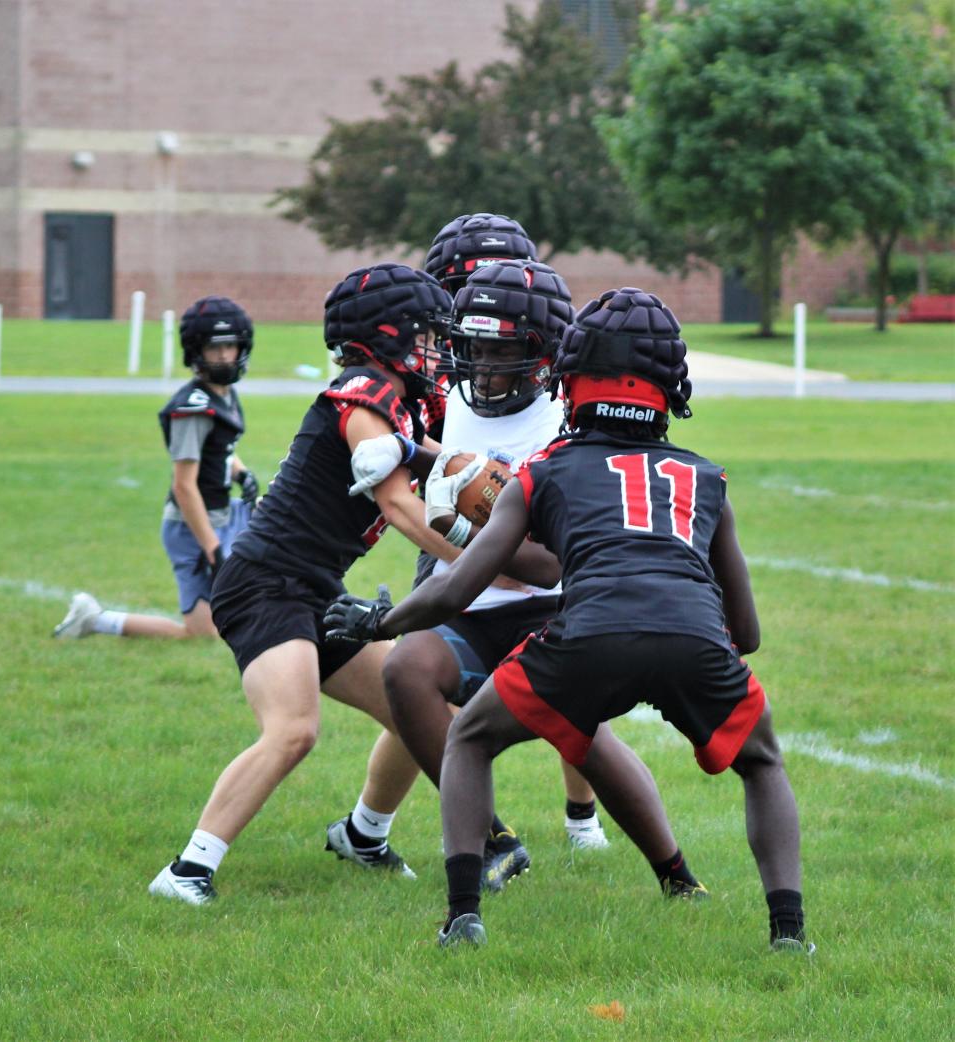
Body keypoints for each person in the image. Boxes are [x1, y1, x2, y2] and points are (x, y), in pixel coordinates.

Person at [326, 285, 812, 954]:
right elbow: (748, 634)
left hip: (588, 636)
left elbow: (455, 589)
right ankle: (788, 932)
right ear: (671, 386)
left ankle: (463, 915)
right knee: (760, 760)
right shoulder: (706, 479)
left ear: (570, 378)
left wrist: (380, 624)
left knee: (469, 738)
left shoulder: (545, 469)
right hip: (695, 639)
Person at [147, 263, 554, 904]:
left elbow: (427, 465)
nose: (435, 348)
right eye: (424, 334)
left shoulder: (404, 401)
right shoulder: (366, 391)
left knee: (416, 703)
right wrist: (479, 560)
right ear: (386, 334)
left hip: (313, 584)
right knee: (293, 728)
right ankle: (187, 871)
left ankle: (380, 839)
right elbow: (398, 505)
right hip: (265, 584)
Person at [338, 259, 706, 901]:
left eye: (500, 351)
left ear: (542, 358)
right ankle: (491, 844)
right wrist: (410, 452)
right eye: (472, 348)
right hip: (469, 606)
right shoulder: (447, 402)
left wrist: (467, 533)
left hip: (550, 609)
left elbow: (559, 558)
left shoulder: (568, 426)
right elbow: (446, 467)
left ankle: (675, 873)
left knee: (582, 733)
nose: (480, 366)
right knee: (407, 672)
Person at [334, 217, 613, 894]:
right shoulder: (427, 380)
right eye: (464, 301)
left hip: (526, 563)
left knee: (570, 688)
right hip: (455, 549)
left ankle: (586, 815)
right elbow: (404, 480)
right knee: (419, 683)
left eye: (501, 322)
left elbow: (558, 552)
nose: (478, 335)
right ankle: (374, 827)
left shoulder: (559, 405)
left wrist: (477, 539)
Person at [53, 296, 259, 641]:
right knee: (201, 633)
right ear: (197, 351)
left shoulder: (223, 393)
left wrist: (240, 472)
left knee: (270, 569)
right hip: (193, 527)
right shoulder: (192, 410)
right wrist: (212, 549)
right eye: (214, 348)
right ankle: (94, 620)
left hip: (224, 513)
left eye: (230, 346)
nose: (224, 355)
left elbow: (222, 449)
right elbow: (184, 485)